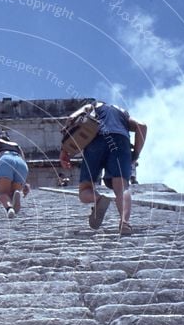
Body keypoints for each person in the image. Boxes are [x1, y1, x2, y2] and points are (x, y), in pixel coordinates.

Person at [60, 99, 146, 235]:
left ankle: (98, 199)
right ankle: (124, 223)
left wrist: (64, 150)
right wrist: (135, 154)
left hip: (95, 140)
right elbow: (142, 126)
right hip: (121, 141)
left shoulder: (93, 106)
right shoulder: (122, 113)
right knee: (122, 186)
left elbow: (71, 118)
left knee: (85, 190)